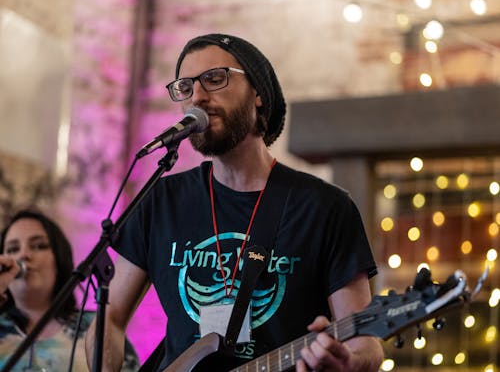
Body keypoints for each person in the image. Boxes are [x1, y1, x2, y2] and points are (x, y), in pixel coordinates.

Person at [85, 33, 385, 371]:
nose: (198, 96)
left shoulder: (325, 208)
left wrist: (348, 361)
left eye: (215, 79)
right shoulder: (160, 202)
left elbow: (365, 341)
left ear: (257, 93)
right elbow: (108, 321)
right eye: (185, 87)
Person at [0, 209, 140, 371]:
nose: (23, 255)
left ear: (59, 259)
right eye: (12, 250)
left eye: (39, 246)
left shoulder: (97, 326)